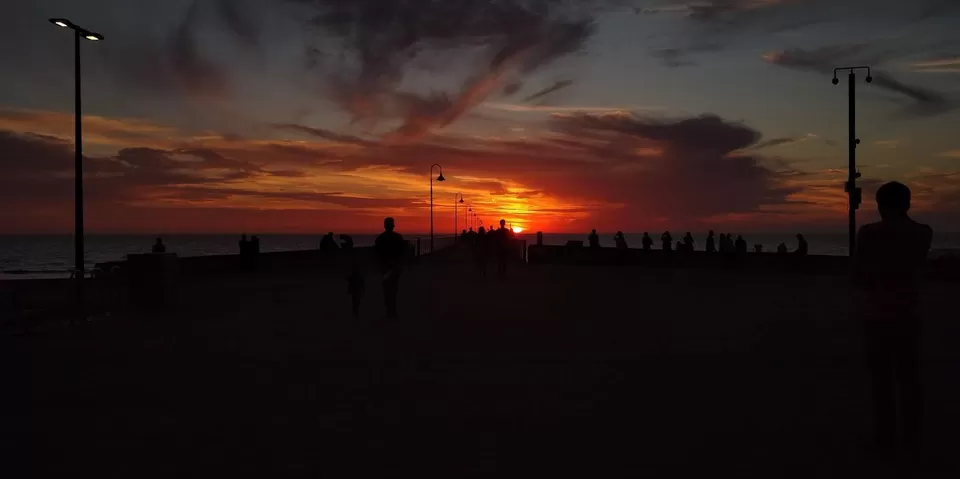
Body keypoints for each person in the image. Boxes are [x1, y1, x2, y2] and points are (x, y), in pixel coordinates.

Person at [854, 181, 933, 453]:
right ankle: (912, 440)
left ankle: (885, 440)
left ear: (879, 205)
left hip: (876, 315)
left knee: (882, 383)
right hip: (908, 314)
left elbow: (860, 277)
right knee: (910, 380)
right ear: (908, 203)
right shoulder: (923, 234)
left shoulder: (867, 234)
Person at [375, 217, 406, 318]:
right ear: (393, 226)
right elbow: (403, 252)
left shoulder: (380, 239)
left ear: (384, 226)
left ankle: (389, 310)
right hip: (395, 268)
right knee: (394, 290)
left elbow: (377, 254)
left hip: (385, 268)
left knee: (387, 290)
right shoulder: (398, 237)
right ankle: (393, 310)